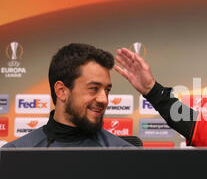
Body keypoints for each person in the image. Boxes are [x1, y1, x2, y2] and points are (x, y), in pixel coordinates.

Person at [3, 43, 133, 148]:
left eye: (107, 90)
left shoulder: (123, 154)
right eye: (94, 88)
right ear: (61, 91)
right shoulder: (15, 154)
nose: (104, 99)